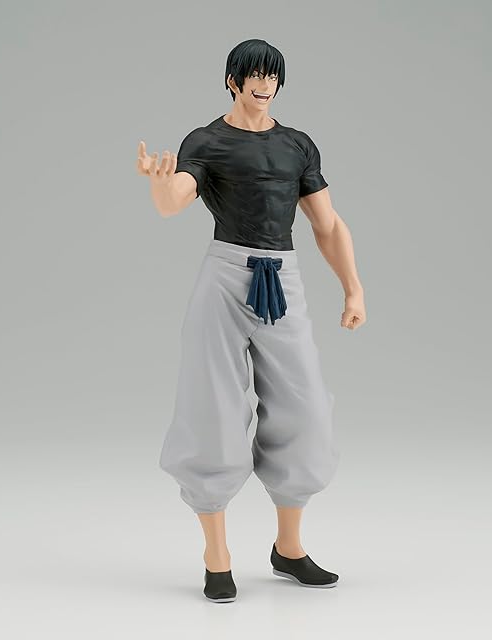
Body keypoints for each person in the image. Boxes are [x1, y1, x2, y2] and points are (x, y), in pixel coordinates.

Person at [137, 38, 366, 603]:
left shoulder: (296, 145)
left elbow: (327, 224)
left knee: (305, 407)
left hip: (283, 278)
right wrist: (161, 185)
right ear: (233, 81)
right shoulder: (206, 140)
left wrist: (353, 288)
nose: (265, 86)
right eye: (255, 76)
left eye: (273, 77)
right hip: (225, 277)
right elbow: (174, 201)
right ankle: (216, 556)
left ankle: (289, 548)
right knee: (211, 407)